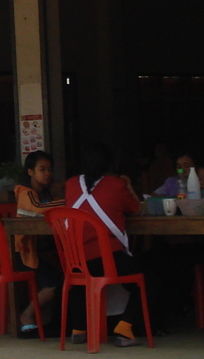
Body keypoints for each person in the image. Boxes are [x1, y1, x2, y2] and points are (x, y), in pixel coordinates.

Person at [61, 143, 149, 347]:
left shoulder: (71, 184)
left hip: (76, 261)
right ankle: (125, 328)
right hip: (107, 258)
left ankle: (79, 328)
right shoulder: (116, 185)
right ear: (109, 165)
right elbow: (135, 208)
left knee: (80, 280)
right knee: (149, 279)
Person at [12, 150, 63, 337]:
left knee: (66, 276)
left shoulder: (49, 195)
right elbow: (39, 209)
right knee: (54, 283)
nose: (47, 173)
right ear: (30, 172)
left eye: (50, 169)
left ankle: (56, 321)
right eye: (42, 169)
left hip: (47, 251)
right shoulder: (25, 193)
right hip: (27, 253)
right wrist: (70, 201)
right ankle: (26, 315)